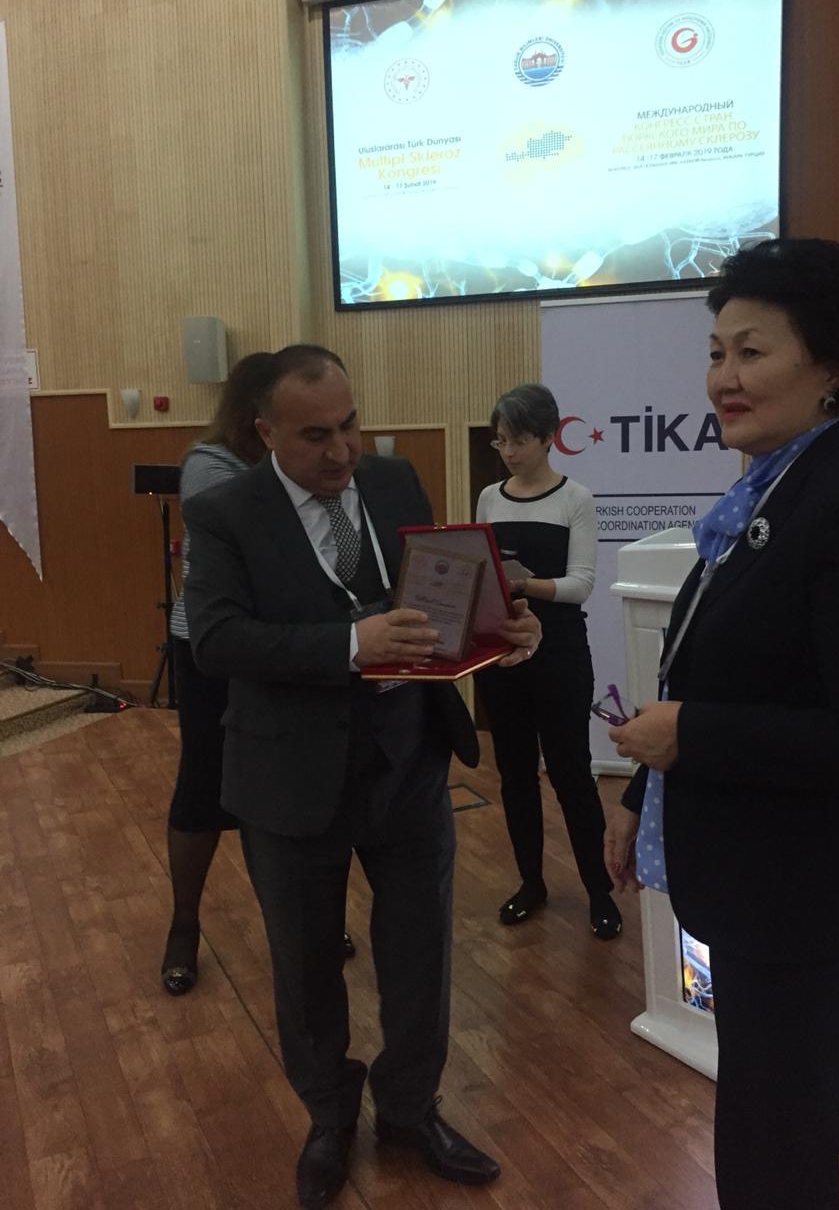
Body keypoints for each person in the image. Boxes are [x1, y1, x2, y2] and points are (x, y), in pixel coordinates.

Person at [603, 238, 839, 1210]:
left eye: (752, 352)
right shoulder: (773, 488)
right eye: (717, 352)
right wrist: (640, 796)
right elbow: (706, 664)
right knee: (762, 1130)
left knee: (777, 1149)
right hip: (766, 883)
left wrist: (692, 736)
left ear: (830, 365)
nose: (724, 378)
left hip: (814, 898)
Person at [183, 344, 541, 1210]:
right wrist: (351, 645)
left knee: (420, 955)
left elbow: (438, 600)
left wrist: (500, 628)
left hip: (409, 760)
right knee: (306, 966)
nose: (342, 450)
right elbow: (217, 640)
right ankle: (330, 1120)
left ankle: (410, 1112)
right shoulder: (225, 512)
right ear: (265, 432)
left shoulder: (393, 480)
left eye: (349, 424)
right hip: (289, 778)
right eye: (316, 436)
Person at [474, 383, 621, 940]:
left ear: (548, 438)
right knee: (514, 774)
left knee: (570, 773)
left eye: (518, 440)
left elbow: (581, 584)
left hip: (559, 650)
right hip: (504, 650)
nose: (508, 452)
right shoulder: (490, 497)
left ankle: (599, 891)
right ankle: (530, 882)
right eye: (501, 441)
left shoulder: (575, 498)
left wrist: (522, 582)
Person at [162, 350, 279, 994]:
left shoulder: (280, 467)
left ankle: (293, 919)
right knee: (203, 786)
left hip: (271, 646)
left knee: (277, 790)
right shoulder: (210, 463)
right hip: (209, 649)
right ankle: (183, 926)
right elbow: (260, 536)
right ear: (255, 412)